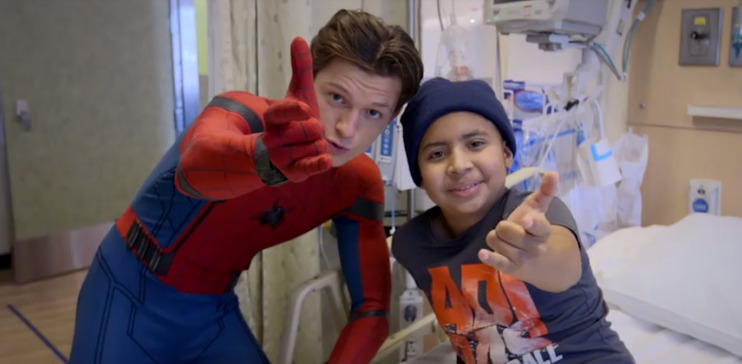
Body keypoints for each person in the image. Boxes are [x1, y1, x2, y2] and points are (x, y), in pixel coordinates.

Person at [69, 9, 423, 364]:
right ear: (308, 81)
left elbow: (372, 309)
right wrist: (264, 158)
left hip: (211, 311)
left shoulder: (358, 183)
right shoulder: (243, 115)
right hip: (126, 289)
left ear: (390, 120)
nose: (347, 128)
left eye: (373, 113)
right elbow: (194, 169)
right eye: (337, 98)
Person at [392, 78, 634, 364]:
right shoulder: (411, 245)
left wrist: (534, 254)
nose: (459, 165)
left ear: (507, 154)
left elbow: (564, 267)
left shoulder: (538, 216)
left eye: (476, 143)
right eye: (437, 154)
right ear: (419, 175)